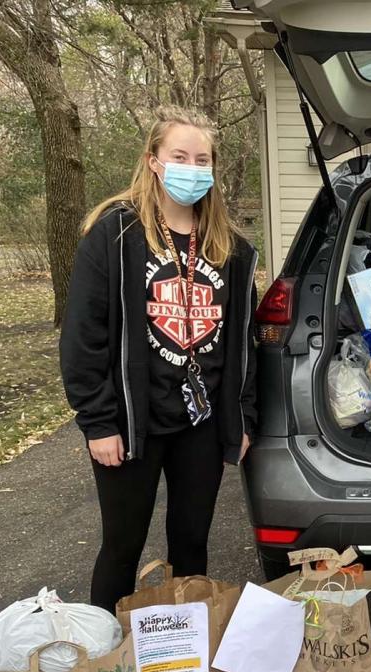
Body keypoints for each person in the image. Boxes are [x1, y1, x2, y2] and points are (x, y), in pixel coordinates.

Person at [60, 105, 259, 612]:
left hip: (201, 421)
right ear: (153, 161)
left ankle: (185, 652)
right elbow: (84, 337)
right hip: (132, 422)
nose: (192, 168)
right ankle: (109, 651)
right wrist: (98, 422)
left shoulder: (230, 248)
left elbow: (244, 344)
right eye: (179, 156)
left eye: (202, 159)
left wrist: (242, 416)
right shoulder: (115, 235)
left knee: (191, 543)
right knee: (122, 547)